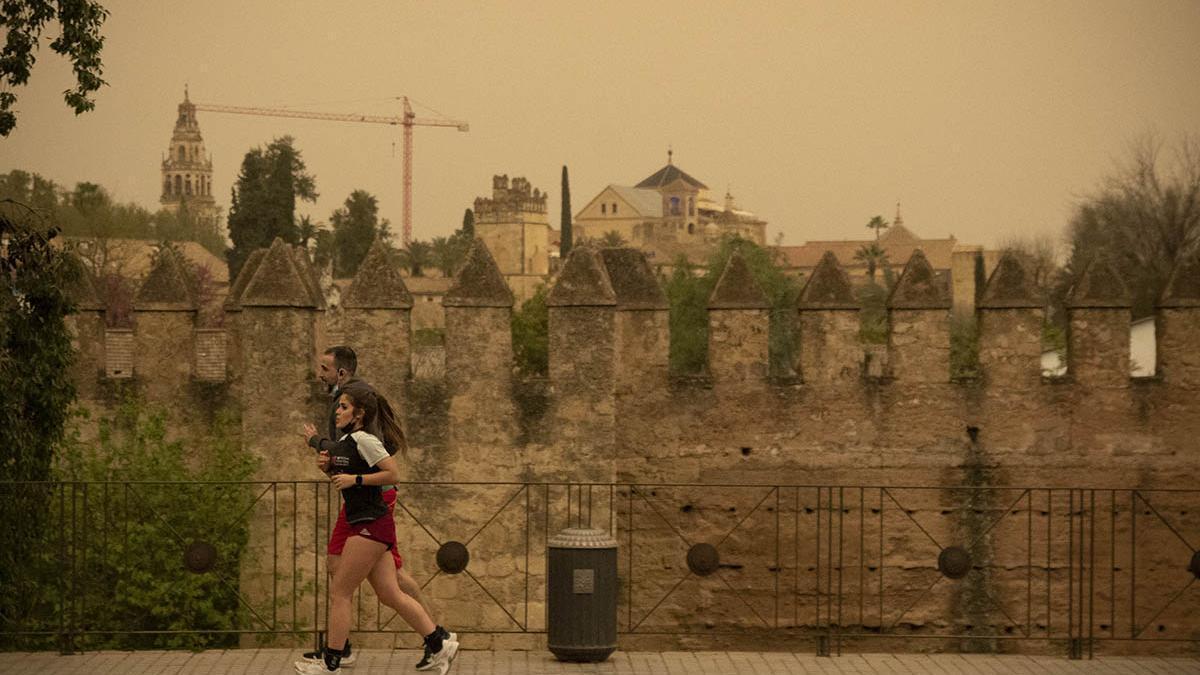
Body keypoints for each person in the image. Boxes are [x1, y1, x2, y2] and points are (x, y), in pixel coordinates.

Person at [301, 346, 453, 671]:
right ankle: (437, 641)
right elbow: (342, 467)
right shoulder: (348, 438)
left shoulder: (365, 436)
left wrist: (355, 478)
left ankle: (332, 659)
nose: (336, 411)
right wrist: (327, 466)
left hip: (372, 518)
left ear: (357, 412)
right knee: (389, 592)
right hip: (366, 519)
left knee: (342, 590)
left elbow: (390, 472)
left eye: (342, 407)